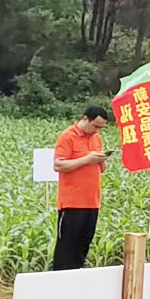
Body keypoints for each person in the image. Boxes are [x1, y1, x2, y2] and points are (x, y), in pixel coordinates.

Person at [50, 105, 113, 271]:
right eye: (95, 126)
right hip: (72, 202)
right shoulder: (67, 136)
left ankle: (77, 278)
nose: (97, 130)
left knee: (83, 246)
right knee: (66, 248)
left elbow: (102, 169)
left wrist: (102, 160)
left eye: (101, 128)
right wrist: (87, 159)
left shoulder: (96, 138)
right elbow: (58, 165)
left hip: (92, 201)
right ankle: (60, 280)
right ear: (85, 119)